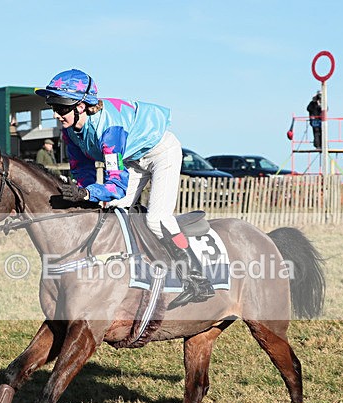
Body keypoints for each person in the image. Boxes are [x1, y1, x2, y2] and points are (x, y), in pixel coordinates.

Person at [35, 68, 214, 309]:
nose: (56, 114)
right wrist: (85, 193)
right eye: (53, 107)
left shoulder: (110, 131)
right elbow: (84, 171)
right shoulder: (70, 133)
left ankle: (197, 278)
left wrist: (88, 193)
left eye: (61, 107)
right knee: (115, 211)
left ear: (80, 106)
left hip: (162, 153)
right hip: (133, 160)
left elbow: (116, 186)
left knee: (156, 219)